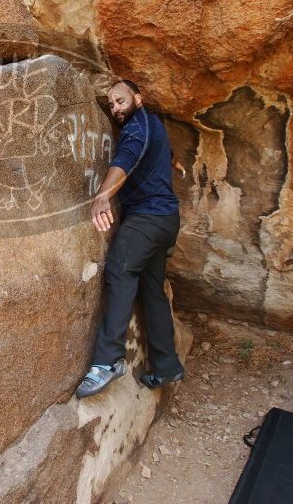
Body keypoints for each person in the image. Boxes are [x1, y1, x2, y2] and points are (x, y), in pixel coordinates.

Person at [76, 79, 184, 399]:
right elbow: (163, 151)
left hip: (147, 220)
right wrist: (173, 162)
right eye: (112, 105)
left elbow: (125, 158)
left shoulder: (137, 127)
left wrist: (102, 196)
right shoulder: (153, 125)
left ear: (138, 98)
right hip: (166, 221)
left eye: (120, 101)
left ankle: (107, 362)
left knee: (120, 272)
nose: (116, 109)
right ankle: (166, 366)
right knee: (152, 292)